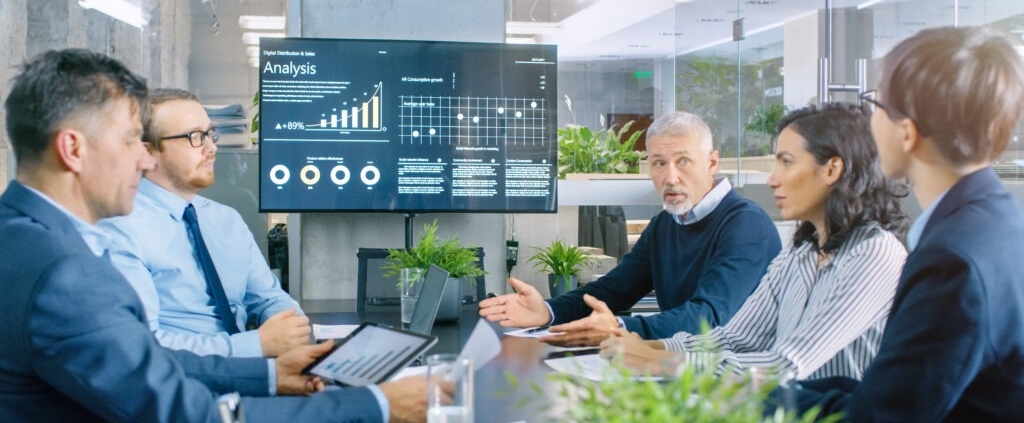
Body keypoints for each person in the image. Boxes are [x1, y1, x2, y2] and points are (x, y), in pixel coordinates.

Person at [0, 48, 433, 423]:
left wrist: (268, 374)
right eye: (132, 140)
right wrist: (373, 407)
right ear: (73, 149)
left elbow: (144, 366)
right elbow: (185, 413)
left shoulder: (23, 238)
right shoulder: (65, 274)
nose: (141, 159)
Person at [788, 26, 1024, 422]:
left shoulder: (952, 262)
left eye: (875, 104)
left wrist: (743, 401)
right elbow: (901, 387)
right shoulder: (1000, 223)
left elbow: (882, 416)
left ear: (907, 132)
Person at [600, 103, 908, 382]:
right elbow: (734, 339)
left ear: (831, 169)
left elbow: (784, 365)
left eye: (786, 163)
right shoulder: (800, 253)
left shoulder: (875, 252)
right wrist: (645, 346)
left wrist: (663, 361)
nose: (773, 179)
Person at [480, 111, 782, 345]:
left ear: (712, 163)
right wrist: (547, 311)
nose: (670, 176)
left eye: (683, 161)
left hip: (742, 380)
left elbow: (710, 317)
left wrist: (620, 328)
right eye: (659, 163)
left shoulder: (746, 224)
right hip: (682, 364)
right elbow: (613, 290)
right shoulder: (666, 224)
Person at [100, 88, 307, 358]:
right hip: (189, 384)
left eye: (210, 133)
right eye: (194, 137)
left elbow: (269, 298)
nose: (212, 148)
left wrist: (292, 331)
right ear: (147, 151)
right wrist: (256, 345)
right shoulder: (121, 228)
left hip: (260, 368)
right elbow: (144, 345)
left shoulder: (226, 219)